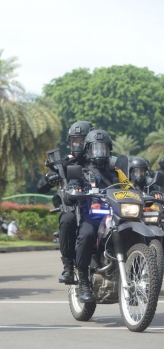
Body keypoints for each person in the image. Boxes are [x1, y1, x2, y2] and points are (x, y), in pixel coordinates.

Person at [68, 129, 126, 303]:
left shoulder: (117, 172)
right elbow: (72, 186)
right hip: (93, 217)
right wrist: (76, 190)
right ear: (88, 150)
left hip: (116, 216)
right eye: (96, 148)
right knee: (86, 235)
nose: (100, 152)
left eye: (103, 148)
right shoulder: (82, 171)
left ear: (109, 150)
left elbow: (129, 188)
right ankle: (84, 281)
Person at [37, 120, 93, 284]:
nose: (77, 144)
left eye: (81, 140)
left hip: (96, 208)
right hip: (73, 208)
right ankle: (68, 267)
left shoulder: (98, 160)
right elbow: (41, 188)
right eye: (74, 140)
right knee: (67, 219)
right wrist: (49, 178)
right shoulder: (65, 163)